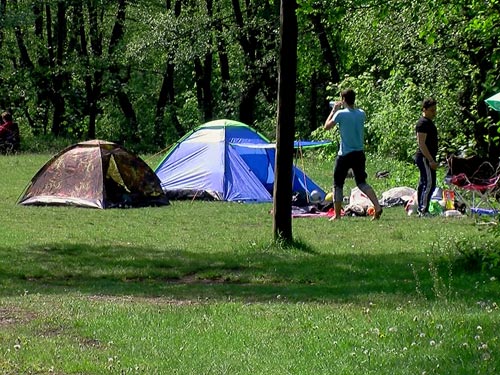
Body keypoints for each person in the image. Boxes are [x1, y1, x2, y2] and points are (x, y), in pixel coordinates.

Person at [324, 88, 382, 220]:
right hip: (359, 153)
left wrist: (334, 110)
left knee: (337, 184)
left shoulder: (341, 114)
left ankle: (337, 215)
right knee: (361, 182)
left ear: (343, 99)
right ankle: (377, 206)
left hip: (345, 154)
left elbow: (326, 126)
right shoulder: (361, 113)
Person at [414, 98, 438, 217]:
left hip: (428, 157)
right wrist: (430, 160)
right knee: (429, 183)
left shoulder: (428, 122)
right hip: (424, 157)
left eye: (435, 110)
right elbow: (421, 143)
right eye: (432, 110)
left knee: (424, 182)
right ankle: (423, 210)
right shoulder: (422, 123)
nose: (434, 113)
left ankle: (421, 208)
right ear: (424, 110)